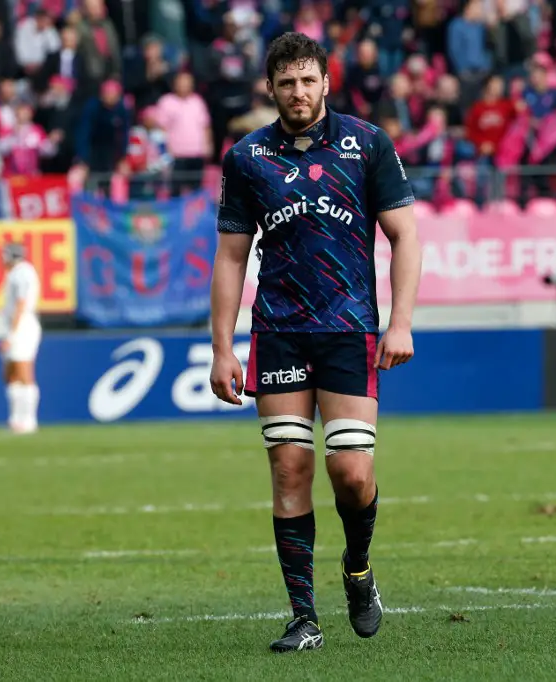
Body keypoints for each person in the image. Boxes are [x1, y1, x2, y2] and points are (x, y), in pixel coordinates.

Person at [208, 32, 421, 653]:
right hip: (278, 332)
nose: (298, 92)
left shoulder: (366, 143)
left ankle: (358, 569)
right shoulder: (247, 158)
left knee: (351, 474)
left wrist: (400, 320)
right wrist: (224, 346)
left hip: (348, 328)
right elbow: (229, 256)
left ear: (326, 82)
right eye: (286, 83)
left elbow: (406, 236)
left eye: (308, 80)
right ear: (269, 89)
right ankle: (304, 617)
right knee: (290, 468)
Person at [0, 243, 42, 433]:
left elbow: (21, 303)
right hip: (15, 324)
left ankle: (29, 420)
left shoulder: (22, 273)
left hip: (23, 325)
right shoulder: (14, 274)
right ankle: (16, 418)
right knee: (10, 374)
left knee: (24, 370)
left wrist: (12, 334)